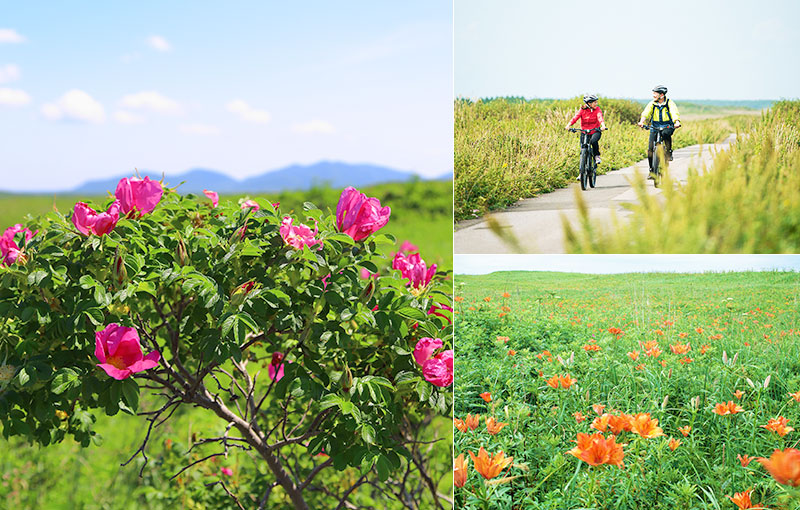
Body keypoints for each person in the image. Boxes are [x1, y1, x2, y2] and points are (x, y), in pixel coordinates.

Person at [638, 85, 681, 172]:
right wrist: (641, 121)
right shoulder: (652, 104)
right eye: (653, 93)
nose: (653, 95)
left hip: (667, 126)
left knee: (666, 134)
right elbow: (646, 113)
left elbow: (674, 112)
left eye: (655, 94)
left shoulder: (669, 103)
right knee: (650, 149)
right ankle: (651, 170)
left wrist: (676, 121)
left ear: (661, 95)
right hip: (655, 126)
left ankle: (668, 151)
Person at [565, 94, 608, 168]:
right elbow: (575, 117)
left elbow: (600, 116)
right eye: (594, 102)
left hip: (595, 131)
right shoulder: (582, 110)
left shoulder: (597, 109)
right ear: (589, 103)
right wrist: (568, 125)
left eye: (596, 102)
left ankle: (596, 156)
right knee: (583, 149)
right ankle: (582, 172)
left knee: (593, 141)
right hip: (585, 132)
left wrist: (603, 125)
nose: (596, 104)